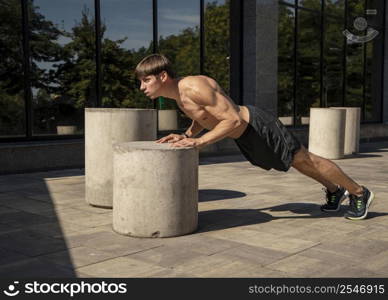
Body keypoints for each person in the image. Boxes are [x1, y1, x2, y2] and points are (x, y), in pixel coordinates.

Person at [135, 54, 374, 220]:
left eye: (146, 80)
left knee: (306, 159)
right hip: (247, 137)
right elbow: (204, 117)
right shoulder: (179, 96)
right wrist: (185, 134)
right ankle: (334, 190)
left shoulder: (194, 87)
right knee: (296, 163)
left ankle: (359, 192)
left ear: (163, 76)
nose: (142, 87)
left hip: (258, 126)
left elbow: (233, 119)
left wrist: (199, 142)